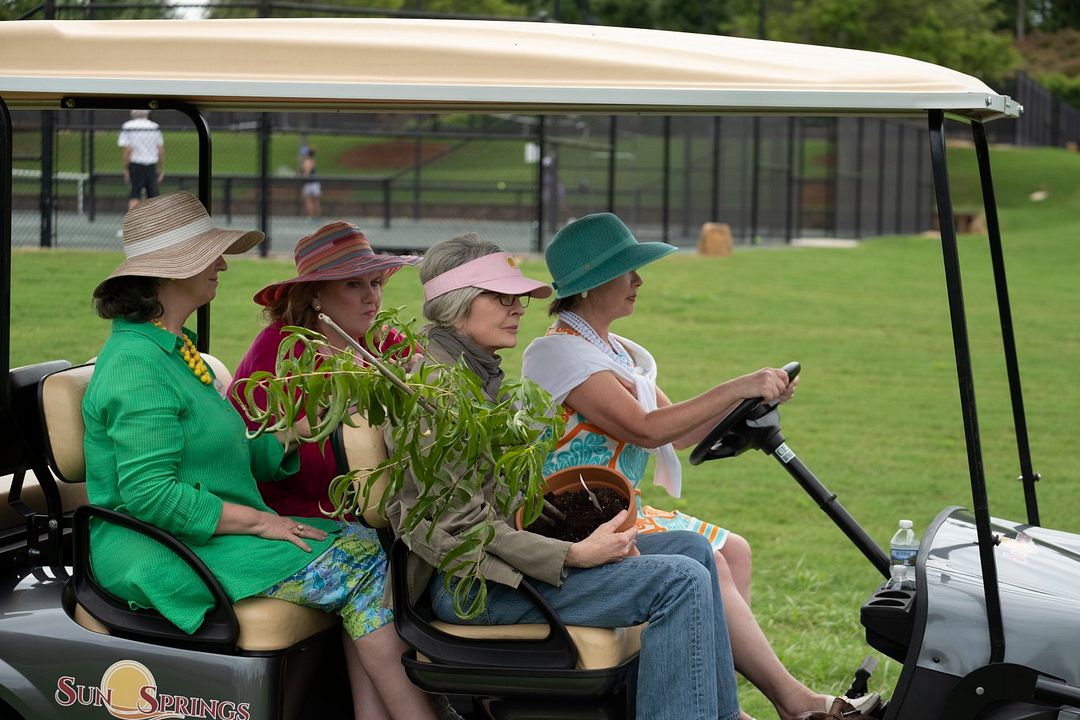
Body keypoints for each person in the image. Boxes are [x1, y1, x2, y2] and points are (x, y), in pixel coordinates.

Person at [82, 192, 436, 720]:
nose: (222, 264)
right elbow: (147, 493)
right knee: (362, 559)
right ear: (170, 273)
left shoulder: (175, 351)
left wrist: (294, 430)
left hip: (198, 532)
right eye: (210, 255)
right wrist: (258, 522)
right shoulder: (137, 365)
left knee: (366, 546)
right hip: (156, 548)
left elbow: (228, 453)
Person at [521, 212, 880, 720]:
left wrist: (748, 402)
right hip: (581, 521)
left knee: (734, 551)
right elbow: (646, 429)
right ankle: (779, 705)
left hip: (616, 511)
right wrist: (738, 387)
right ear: (591, 284)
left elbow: (678, 428)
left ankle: (741, 705)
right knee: (712, 558)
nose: (639, 281)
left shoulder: (615, 351)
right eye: (628, 271)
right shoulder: (557, 354)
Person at [384, 233, 742, 720]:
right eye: (501, 297)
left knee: (693, 550)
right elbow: (450, 526)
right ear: (457, 304)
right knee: (678, 580)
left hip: (506, 565)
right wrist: (573, 553)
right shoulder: (436, 388)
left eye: (519, 297)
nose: (519, 308)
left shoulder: (476, 375)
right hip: (474, 586)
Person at [230, 221, 417, 519]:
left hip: (384, 513)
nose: (371, 297)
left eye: (375, 283)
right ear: (315, 295)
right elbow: (267, 460)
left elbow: (434, 379)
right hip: (301, 518)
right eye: (353, 284)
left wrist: (413, 381)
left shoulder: (376, 338)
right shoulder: (283, 351)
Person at [118, 109, 164, 212]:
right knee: (153, 197)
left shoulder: (128, 126)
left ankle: (132, 223)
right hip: (151, 165)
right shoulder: (154, 127)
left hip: (136, 165)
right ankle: (155, 224)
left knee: (135, 194)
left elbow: (127, 150)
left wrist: (125, 168)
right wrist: (161, 169)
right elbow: (160, 149)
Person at [301, 147, 321, 220]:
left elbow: (306, 173)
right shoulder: (312, 161)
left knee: (308, 200)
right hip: (315, 183)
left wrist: (301, 176)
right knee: (316, 201)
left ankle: (311, 217)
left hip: (309, 184)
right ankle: (317, 216)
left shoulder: (307, 162)